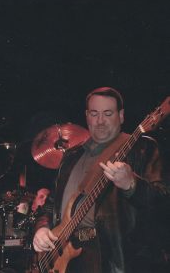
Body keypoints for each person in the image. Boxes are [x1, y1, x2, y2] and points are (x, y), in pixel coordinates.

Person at [33, 87, 170, 273]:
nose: (100, 121)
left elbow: (163, 201)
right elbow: (50, 206)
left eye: (108, 113)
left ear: (121, 116)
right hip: (68, 259)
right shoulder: (71, 157)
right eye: (94, 113)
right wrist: (41, 229)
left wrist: (132, 185)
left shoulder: (142, 148)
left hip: (114, 259)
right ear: (87, 116)